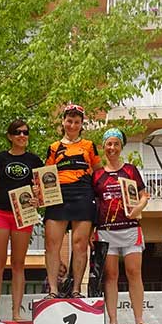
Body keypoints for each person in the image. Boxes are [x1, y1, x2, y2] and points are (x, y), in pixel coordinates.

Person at [0, 119, 44, 321]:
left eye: (25, 132)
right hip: (0, 212)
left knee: (18, 264)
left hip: (23, 214)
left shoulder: (34, 160)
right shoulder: (0, 158)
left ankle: (16, 312)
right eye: (18, 132)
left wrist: (37, 199)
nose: (22, 136)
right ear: (10, 136)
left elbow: (41, 190)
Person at [92, 129, 150, 324]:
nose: (112, 148)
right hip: (106, 230)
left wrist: (138, 208)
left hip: (130, 229)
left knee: (134, 272)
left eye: (116, 144)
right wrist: (91, 230)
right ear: (103, 146)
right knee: (111, 275)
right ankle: (113, 321)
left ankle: (139, 320)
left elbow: (144, 196)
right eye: (109, 144)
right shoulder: (97, 175)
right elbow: (94, 204)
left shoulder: (131, 170)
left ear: (121, 146)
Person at [43, 104, 101, 298]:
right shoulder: (54, 147)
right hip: (57, 195)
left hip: (83, 194)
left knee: (79, 245)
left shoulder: (89, 145)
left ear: (82, 124)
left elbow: (98, 173)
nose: (73, 125)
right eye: (69, 121)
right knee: (52, 245)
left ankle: (76, 289)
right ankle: (53, 289)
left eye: (77, 122)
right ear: (63, 122)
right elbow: (46, 175)